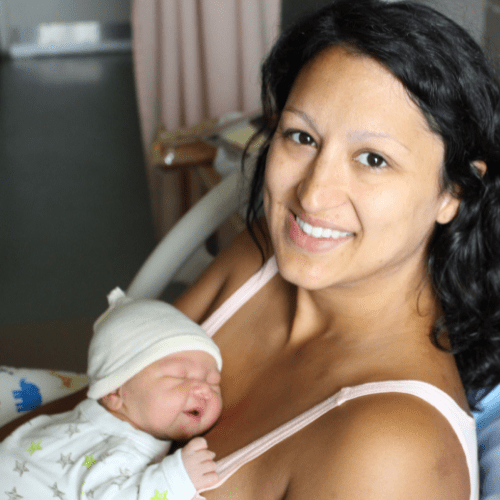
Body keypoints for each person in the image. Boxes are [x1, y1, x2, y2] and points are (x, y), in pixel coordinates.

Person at [2, 0, 500, 498]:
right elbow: (97, 418)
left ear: (452, 191)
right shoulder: (262, 256)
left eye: (373, 159)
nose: (312, 195)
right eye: (302, 136)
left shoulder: (390, 455)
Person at [0, 288, 223, 499]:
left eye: (214, 382)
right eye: (179, 376)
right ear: (115, 392)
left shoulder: (82, 422)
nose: (204, 390)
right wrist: (175, 479)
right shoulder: (121, 450)